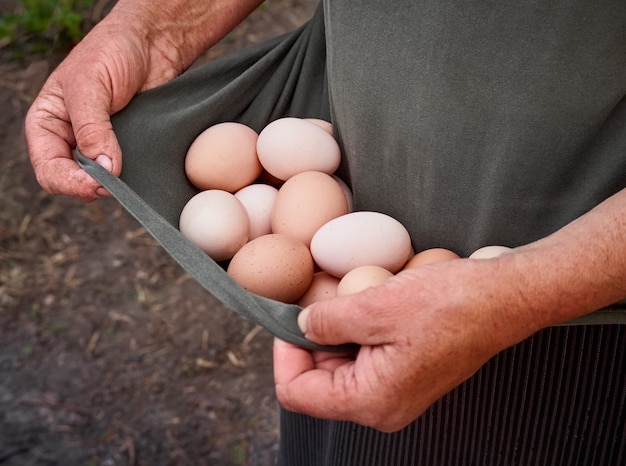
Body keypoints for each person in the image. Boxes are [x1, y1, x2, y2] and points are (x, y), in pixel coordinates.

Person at [26, 0, 626, 465]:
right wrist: (155, 23)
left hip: (577, 307)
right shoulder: (312, 232)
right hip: (349, 231)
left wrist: (529, 290)